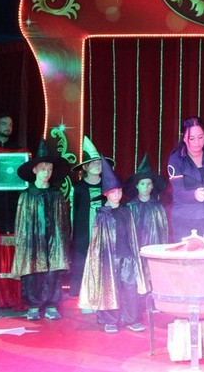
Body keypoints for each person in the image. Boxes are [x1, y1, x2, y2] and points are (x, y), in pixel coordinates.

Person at [78, 157, 147, 334]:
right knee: (110, 287)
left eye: (119, 191)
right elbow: (97, 240)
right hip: (109, 258)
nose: (117, 195)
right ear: (106, 194)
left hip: (127, 256)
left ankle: (131, 319)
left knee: (129, 287)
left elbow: (133, 234)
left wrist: (134, 254)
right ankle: (110, 320)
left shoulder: (126, 211)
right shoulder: (102, 214)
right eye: (113, 192)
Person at [11, 140, 71, 321]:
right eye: (43, 168)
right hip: (33, 242)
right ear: (35, 170)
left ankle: (52, 305)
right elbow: (21, 223)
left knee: (52, 273)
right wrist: (24, 244)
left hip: (53, 241)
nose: (47, 172)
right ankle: (33, 305)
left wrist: (61, 243)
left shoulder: (57, 195)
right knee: (33, 273)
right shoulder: (27, 195)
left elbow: (63, 222)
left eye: (50, 169)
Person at [69, 136, 111, 297]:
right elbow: (74, 210)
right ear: (85, 167)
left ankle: (103, 289)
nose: (96, 166)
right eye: (92, 163)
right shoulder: (78, 188)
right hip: (83, 232)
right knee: (81, 258)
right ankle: (79, 289)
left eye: (99, 163)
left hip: (104, 229)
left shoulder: (107, 185)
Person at [125, 153, 169, 290]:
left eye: (149, 184)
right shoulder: (130, 207)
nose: (145, 187)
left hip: (153, 248)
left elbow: (163, 232)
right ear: (137, 186)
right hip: (136, 249)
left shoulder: (158, 207)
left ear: (152, 187)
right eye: (142, 184)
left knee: (152, 275)